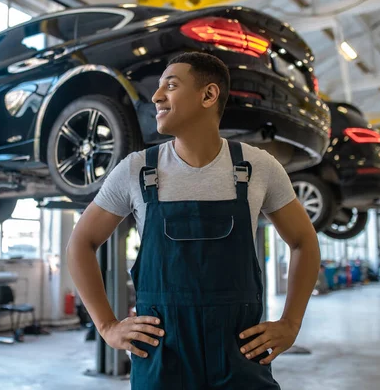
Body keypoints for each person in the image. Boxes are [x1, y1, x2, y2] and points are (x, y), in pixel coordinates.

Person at [66, 52, 321, 389]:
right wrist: (107, 325)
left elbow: (305, 242)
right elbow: (80, 245)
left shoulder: (258, 168)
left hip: (239, 356)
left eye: (170, 86)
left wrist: (291, 323)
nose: (156, 97)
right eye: (158, 88)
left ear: (208, 95)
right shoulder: (137, 170)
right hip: (162, 358)